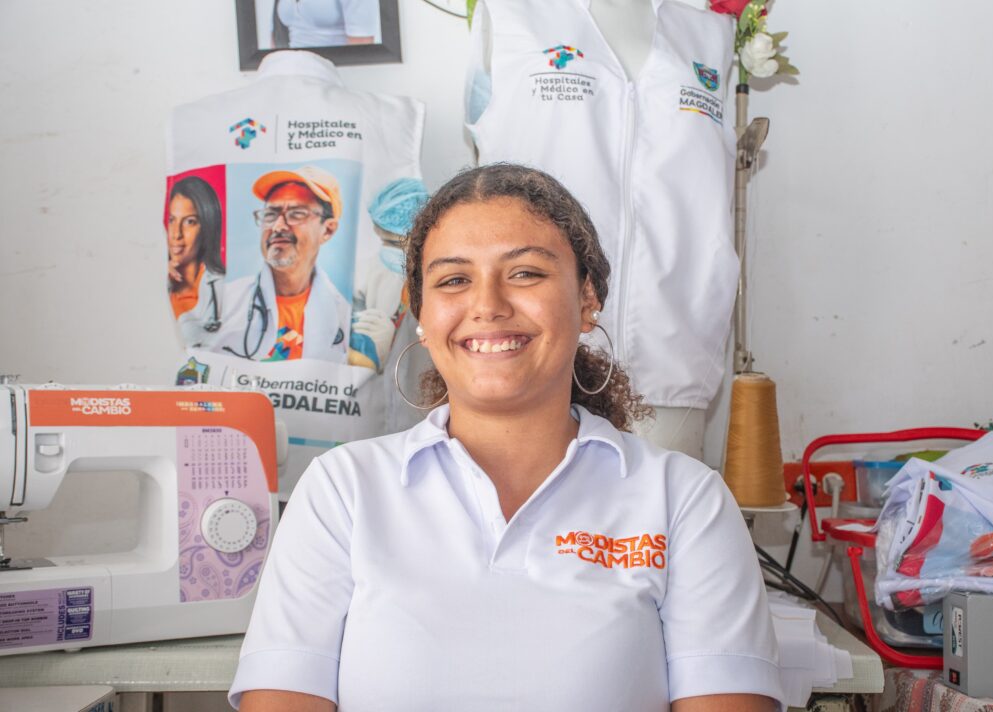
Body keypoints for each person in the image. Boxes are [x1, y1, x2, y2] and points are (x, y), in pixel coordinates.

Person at [229, 164, 785, 711]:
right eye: (454, 280)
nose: (488, 306)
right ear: (421, 313)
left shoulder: (684, 500)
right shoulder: (342, 490)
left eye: (525, 273)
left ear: (587, 300)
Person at [213, 165, 350, 362]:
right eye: (270, 215)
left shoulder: (344, 318)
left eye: (296, 214)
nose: (278, 226)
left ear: (327, 230)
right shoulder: (224, 305)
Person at [348, 177, 429, 373]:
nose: (399, 255)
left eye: (402, 245)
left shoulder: (433, 276)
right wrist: (376, 346)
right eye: (390, 243)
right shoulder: (364, 275)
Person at [166, 176, 225, 348]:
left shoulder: (223, 288)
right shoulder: (151, 277)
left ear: (207, 226)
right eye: (172, 220)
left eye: (189, 222)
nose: (176, 234)